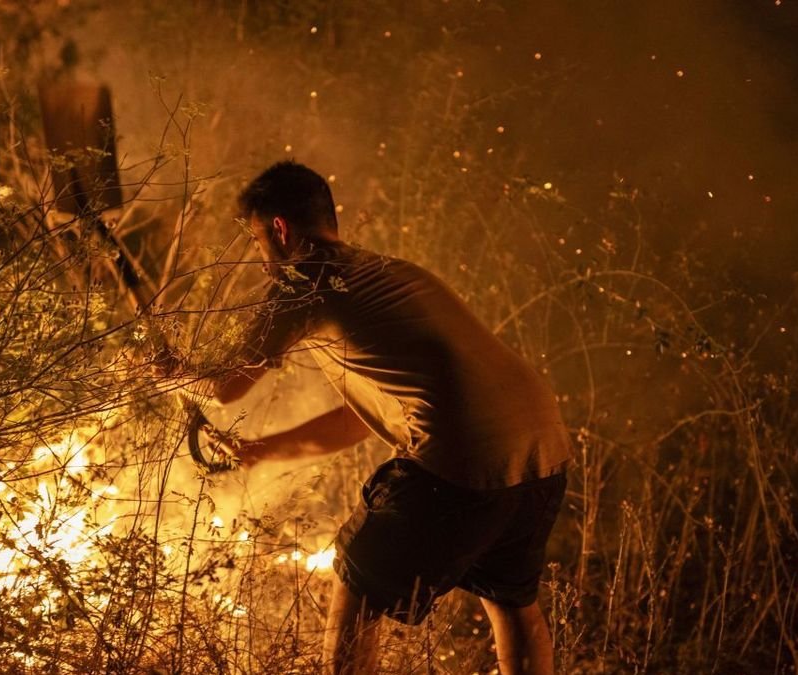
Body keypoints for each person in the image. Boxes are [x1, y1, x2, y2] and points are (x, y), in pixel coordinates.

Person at [183, 161, 570, 675]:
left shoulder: (304, 281)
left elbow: (223, 387)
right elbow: (361, 417)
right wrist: (265, 450)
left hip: (462, 458)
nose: (262, 260)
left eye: (256, 242)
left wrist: (159, 369)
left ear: (279, 229)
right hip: (544, 451)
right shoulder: (391, 271)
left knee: (356, 578)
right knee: (510, 598)